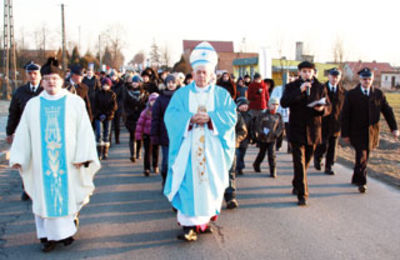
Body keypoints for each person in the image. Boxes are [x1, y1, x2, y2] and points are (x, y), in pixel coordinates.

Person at [9, 57, 100, 252]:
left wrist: (83, 156)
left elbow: (84, 130)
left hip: (68, 161)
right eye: (47, 79)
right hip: (42, 163)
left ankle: (66, 233)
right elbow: (24, 132)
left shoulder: (74, 102)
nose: (51, 82)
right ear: (42, 82)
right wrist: (19, 157)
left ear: (62, 81)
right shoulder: (34, 104)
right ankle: (46, 237)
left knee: (66, 194)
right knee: (44, 198)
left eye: (55, 79)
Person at [163, 42, 236, 242]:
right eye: (198, 72)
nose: (201, 76)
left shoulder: (221, 95)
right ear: (192, 73)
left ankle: (203, 223)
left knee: (209, 185)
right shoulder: (181, 94)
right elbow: (171, 116)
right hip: (188, 150)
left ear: (211, 73)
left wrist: (211, 118)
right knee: (188, 184)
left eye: (204, 72)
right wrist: (189, 119)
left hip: (212, 151)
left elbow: (231, 116)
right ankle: (188, 225)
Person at [280, 61, 332, 206]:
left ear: (314, 72)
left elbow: (329, 107)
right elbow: (284, 102)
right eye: (304, 71)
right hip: (296, 129)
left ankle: (297, 182)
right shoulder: (292, 86)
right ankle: (303, 195)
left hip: (313, 130)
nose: (307, 74)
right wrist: (300, 90)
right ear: (299, 73)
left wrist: (321, 109)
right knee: (299, 162)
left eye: (309, 71)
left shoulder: (320, 87)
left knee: (306, 161)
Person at [341, 68, 398, 193]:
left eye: (369, 79)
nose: (367, 81)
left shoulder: (378, 94)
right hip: (356, 132)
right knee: (361, 156)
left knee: (365, 157)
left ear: (372, 80)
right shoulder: (351, 94)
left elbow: (388, 111)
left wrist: (394, 128)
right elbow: (345, 115)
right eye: (364, 79)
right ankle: (362, 182)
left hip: (372, 133)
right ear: (360, 80)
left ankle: (356, 177)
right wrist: (344, 133)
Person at [6, 61, 43, 201]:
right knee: (25, 162)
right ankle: (26, 189)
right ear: (27, 75)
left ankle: (39, 189)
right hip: (25, 132)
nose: (33, 76)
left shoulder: (45, 91)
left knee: (39, 161)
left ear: (40, 75)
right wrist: (10, 132)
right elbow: (13, 113)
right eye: (30, 73)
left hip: (42, 132)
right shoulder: (20, 92)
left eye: (35, 73)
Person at [314, 68, 346, 175]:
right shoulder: (321, 89)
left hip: (336, 124)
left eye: (337, 77)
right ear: (329, 76)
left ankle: (329, 166)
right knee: (322, 144)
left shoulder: (343, 92)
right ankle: (317, 158)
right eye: (333, 76)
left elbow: (345, 109)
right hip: (322, 122)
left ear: (340, 78)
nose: (335, 79)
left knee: (332, 146)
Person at [151, 74, 178, 187]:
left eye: (173, 82)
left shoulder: (181, 97)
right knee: (166, 161)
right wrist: (154, 135)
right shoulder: (160, 99)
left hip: (179, 134)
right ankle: (166, 181)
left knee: (178, 162)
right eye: (169, 82)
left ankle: (176, 183)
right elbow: (155, 118)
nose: (171, 84)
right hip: (165, 133)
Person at [224, 97, 248, 209]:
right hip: (214, 148)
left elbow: (242, 131)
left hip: (230, 148)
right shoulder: (214, 114)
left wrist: (234, 141)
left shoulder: (236, 115)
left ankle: (230, 198)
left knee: (230, 171)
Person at [252, 97, 284, 178]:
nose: (275, 106)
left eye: (277, 105)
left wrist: (277, 134)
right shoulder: (262, 115)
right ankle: (256, 164)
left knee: (272, 155)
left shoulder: (278, 116)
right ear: (269, 105)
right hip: (263, 138)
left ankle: (273, 171)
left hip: (272, 139)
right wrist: (260, 133)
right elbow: (257, 125)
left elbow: (281, 127)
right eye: (273, 104)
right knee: (262, 154)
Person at [135, 93, 160, 176]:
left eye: (155, 101)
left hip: (156, 134)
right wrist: (138, 135)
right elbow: (140, 124)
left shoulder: (160, 111)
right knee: (147, 152)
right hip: (147, 134)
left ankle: (155, 165)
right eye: (152, 101)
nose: (153, 103)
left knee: (155, 151)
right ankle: (147, 168)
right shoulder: (145, 112)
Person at [94, 78, 118, 160]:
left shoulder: (112, 94)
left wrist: (107, 114)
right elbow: (95, 106)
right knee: (99, 134)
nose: (105, 87)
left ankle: (105, 152)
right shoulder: (98, 94)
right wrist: (99, 114)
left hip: (108, 117)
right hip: (98, 116)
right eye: (104, 85)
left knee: (106, 134)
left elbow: (114, 106)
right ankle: (99, 153)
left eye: (107, 85)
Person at [124, 75, 146, 162]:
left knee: (139, 136)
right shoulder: (128, 93)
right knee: (132, 135)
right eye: (133, 82)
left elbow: (146, 105)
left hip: (141, 117)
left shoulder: (144, 94)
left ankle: (138, 152)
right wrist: (128, 114)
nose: (134, 84)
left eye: (136, 82)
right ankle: (132, 154)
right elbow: (125, 105)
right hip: (131, 117)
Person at [235, 96, 253, 175]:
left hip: (245, 139)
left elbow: (251, 127)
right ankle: (237, 168)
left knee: (242, 154)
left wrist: (252, 137)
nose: (245, 106)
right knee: (237, 154)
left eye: (246, 105)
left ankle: (240, 166)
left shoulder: (249, 116)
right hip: (237, 138)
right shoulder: (235, 115)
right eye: (243, 105)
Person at [109, 70, 125, 144]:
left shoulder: (121, 85)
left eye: (114, 76)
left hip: (118, 106)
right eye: (112, 76)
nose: (113, 77)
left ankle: (117, 138)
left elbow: (122, 97)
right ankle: (109, 140)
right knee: (109, 125)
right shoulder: (109, 84)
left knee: (117, 124)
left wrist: (119, 105)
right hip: (109, 106)